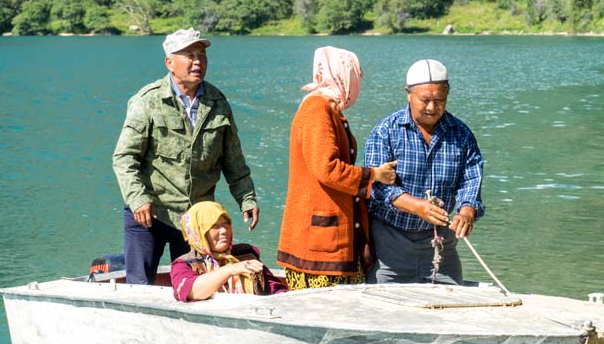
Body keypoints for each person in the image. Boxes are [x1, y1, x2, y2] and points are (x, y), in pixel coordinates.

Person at [112, 28, 259, 287]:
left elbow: (233, 159)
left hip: (196, 218)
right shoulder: (148, 101)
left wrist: (246, 198)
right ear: (169, 62)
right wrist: (138, 200)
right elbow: (124, 158)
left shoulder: (217, 102)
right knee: (139, 289)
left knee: (197, 287)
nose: (198, 62)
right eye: (189, 55)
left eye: (201, 55)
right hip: (150, 214)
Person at [276, 47, 397, 289]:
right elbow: (326, 168)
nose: (357, 82)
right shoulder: (317, 110)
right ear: (343, 76)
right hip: (319, 241)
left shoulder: (328, 109)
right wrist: (374, 175)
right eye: (355, 75)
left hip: (329, 233)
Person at [363, 58, 484, 285]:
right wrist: (417, 206)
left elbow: (471, 178)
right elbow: (377, 189)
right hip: (391, 246)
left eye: (440, 100)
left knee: (451, 308)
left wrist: (467, 212)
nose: (432, 107)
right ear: (408, 93)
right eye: (424, 100)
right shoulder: (385, 131)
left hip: (442, 246)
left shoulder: (461, 134)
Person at [170, 200, 287, 301]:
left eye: (226, 223)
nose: (224, 231)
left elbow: (276, 290)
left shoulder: (246, 254)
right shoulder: (184, 264)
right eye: (215, 226)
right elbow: (190, 292)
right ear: (198, 232)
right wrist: (230, 270)